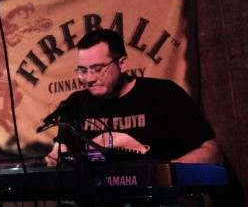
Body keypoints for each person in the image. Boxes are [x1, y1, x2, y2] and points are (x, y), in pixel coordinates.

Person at [44, 29, 221, 166]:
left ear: (122, 64)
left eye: (97, 69)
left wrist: (165, 172)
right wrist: (56, 158)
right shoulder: (75, 103)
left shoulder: (164, 94)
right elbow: (60, 152)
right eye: (83, 70)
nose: (89, 78)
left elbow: (211, 153)